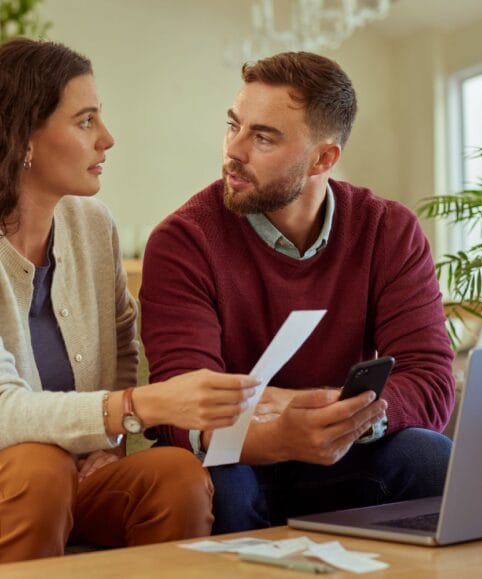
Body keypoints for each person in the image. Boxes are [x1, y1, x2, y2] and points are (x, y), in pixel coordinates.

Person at [0, 38, 257, 565]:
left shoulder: (92, 225)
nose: (107, 140)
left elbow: (120, 346)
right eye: (86, 121)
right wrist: (138, 407)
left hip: (76, 474)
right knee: (37, 469)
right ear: (23, 137)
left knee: (178, 477)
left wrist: (109, 445)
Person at [139, 51, 455, 534]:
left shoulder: (387, 229)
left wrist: (329, 415)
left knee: (432, 459)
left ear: (323, 158)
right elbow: (179, 407)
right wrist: (280, 433)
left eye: (262, 137)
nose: (234, 151)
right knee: (219, 485)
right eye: (234, 126)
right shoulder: (184, 240)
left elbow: (431, 379)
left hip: (346, 455)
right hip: (235, 458)